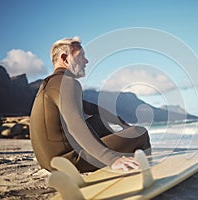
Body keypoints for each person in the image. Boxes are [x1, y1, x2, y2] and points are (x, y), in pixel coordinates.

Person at [30, 37, 151, 173]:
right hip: (67, 162)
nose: (86, 61)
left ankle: (124, 154)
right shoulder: (67, 83)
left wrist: (118, 120)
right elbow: (75, 124)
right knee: (139, 133)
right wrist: (111, 159)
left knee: (97, 121)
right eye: (81, 56)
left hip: (50, 161)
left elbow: (90, 107)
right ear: (65, 58)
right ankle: (142, 167)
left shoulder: (51, 84)